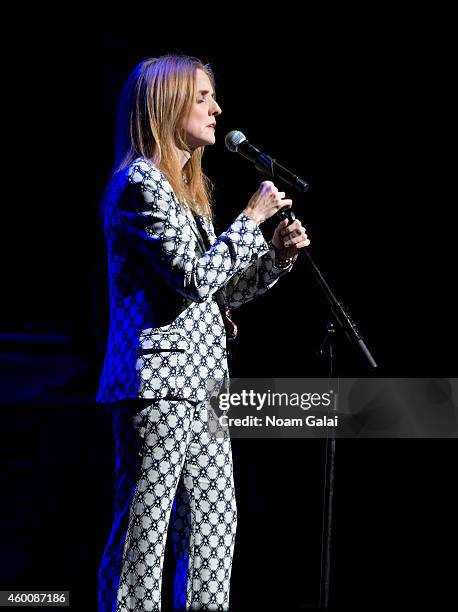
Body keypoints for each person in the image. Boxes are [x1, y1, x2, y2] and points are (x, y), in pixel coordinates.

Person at [96, 54, 310, 612]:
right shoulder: (138, 184)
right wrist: (250, 220)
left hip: (207, 384)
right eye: (202, 97)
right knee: (146, 536)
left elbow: (216, 293)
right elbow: (192, 279)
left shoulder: (189, 192)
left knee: (216, 533)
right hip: (161, 386)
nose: (217, 109)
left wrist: (275, 258)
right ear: (166, 107)